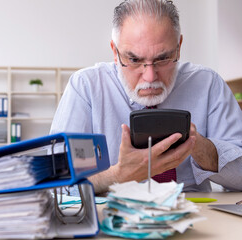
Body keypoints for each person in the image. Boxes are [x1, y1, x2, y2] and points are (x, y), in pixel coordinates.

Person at [50, 0, 242, 194]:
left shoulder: (208, 83)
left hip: (195, 215)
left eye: (162, 58)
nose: (150, 77)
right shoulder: (86, 86)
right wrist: (118, 175)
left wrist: (198, 146)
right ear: (115, 52)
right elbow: (56, 185)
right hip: (114, 216)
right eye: (134, 60)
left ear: (179, 47)